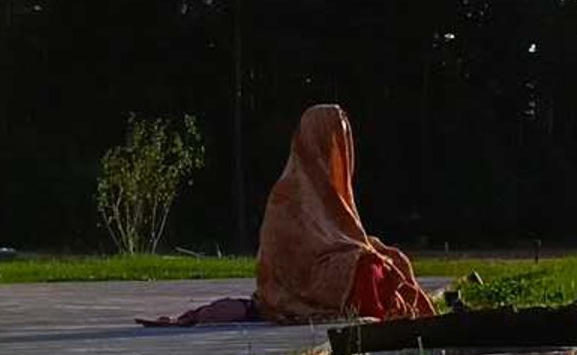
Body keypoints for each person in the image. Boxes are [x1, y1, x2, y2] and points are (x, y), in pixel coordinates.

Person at [136, 105, 434, 326]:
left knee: (388, 257)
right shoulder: (286, 196)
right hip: (301, 281)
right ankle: (376, 314)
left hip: (328, 262)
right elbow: (285, 258)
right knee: (366, 264)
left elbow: (341, 235)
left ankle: (399, 314)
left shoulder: (334, 192)